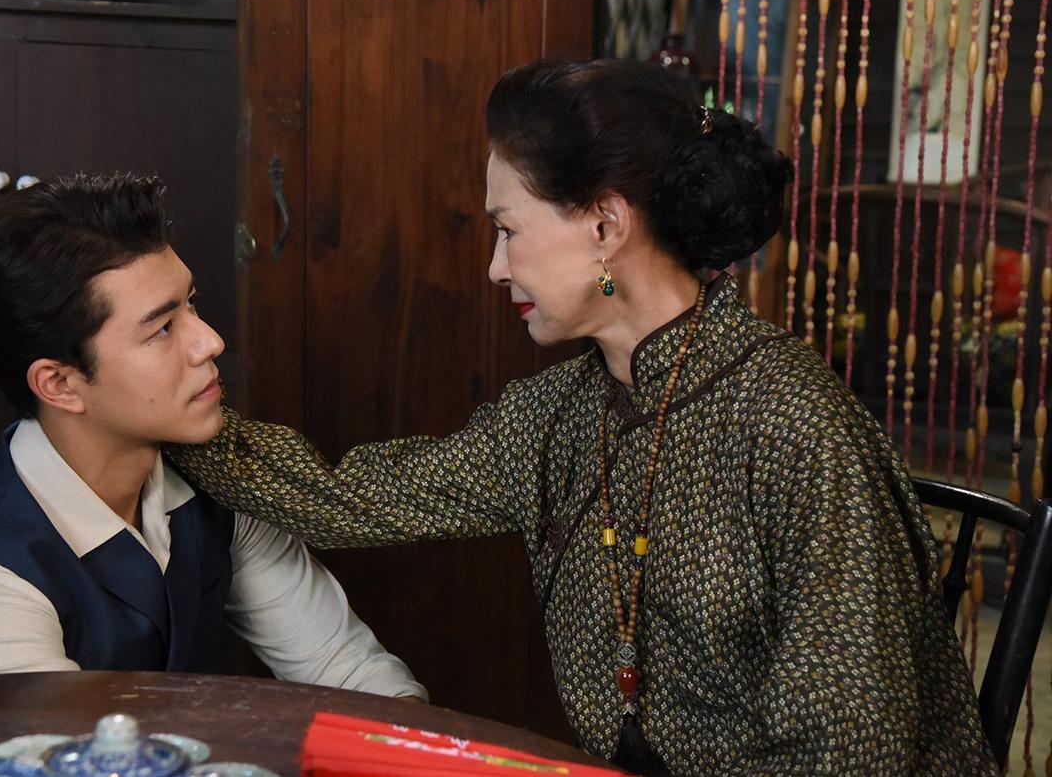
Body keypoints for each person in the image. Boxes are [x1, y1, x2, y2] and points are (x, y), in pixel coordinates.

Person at [164, 59, 995, 774]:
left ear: (605, 224)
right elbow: (349, 498)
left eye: (507, 230)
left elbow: (850, 750)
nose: (496, 268)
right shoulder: (559, 414)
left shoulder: (795, 425)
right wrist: (175, 410)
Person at [0, 173, 426, 703]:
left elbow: (348, 671)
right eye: (162, 328)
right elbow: (82, 763)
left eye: (191, 304)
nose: (210, 342)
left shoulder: (217, 483)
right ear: (59, 384)